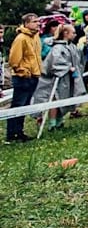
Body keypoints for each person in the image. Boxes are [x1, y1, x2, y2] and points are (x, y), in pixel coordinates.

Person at [37, 22, 84, 133]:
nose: (75, 34)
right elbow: (55, 63)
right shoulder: (58, 48)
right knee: (55, 98)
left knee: (64, 97)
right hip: (57, 79)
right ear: (66, 33)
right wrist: (68, 67)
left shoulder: (71, 46)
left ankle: (60, 119)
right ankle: (52, 122)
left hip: (68, 79)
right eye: (73, 32)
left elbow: (78, 60)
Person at [6, 14, 42, 143]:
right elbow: (14, 59)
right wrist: (23, 71)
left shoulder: (36, 37)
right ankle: (11, 134)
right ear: (26, 23)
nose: (38, 24)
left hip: (34, 75)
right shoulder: (21, 38)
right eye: (34, 22)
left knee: (25, 106)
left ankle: (19, 132)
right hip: (23, 77)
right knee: (17, 105)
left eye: (38, 21)